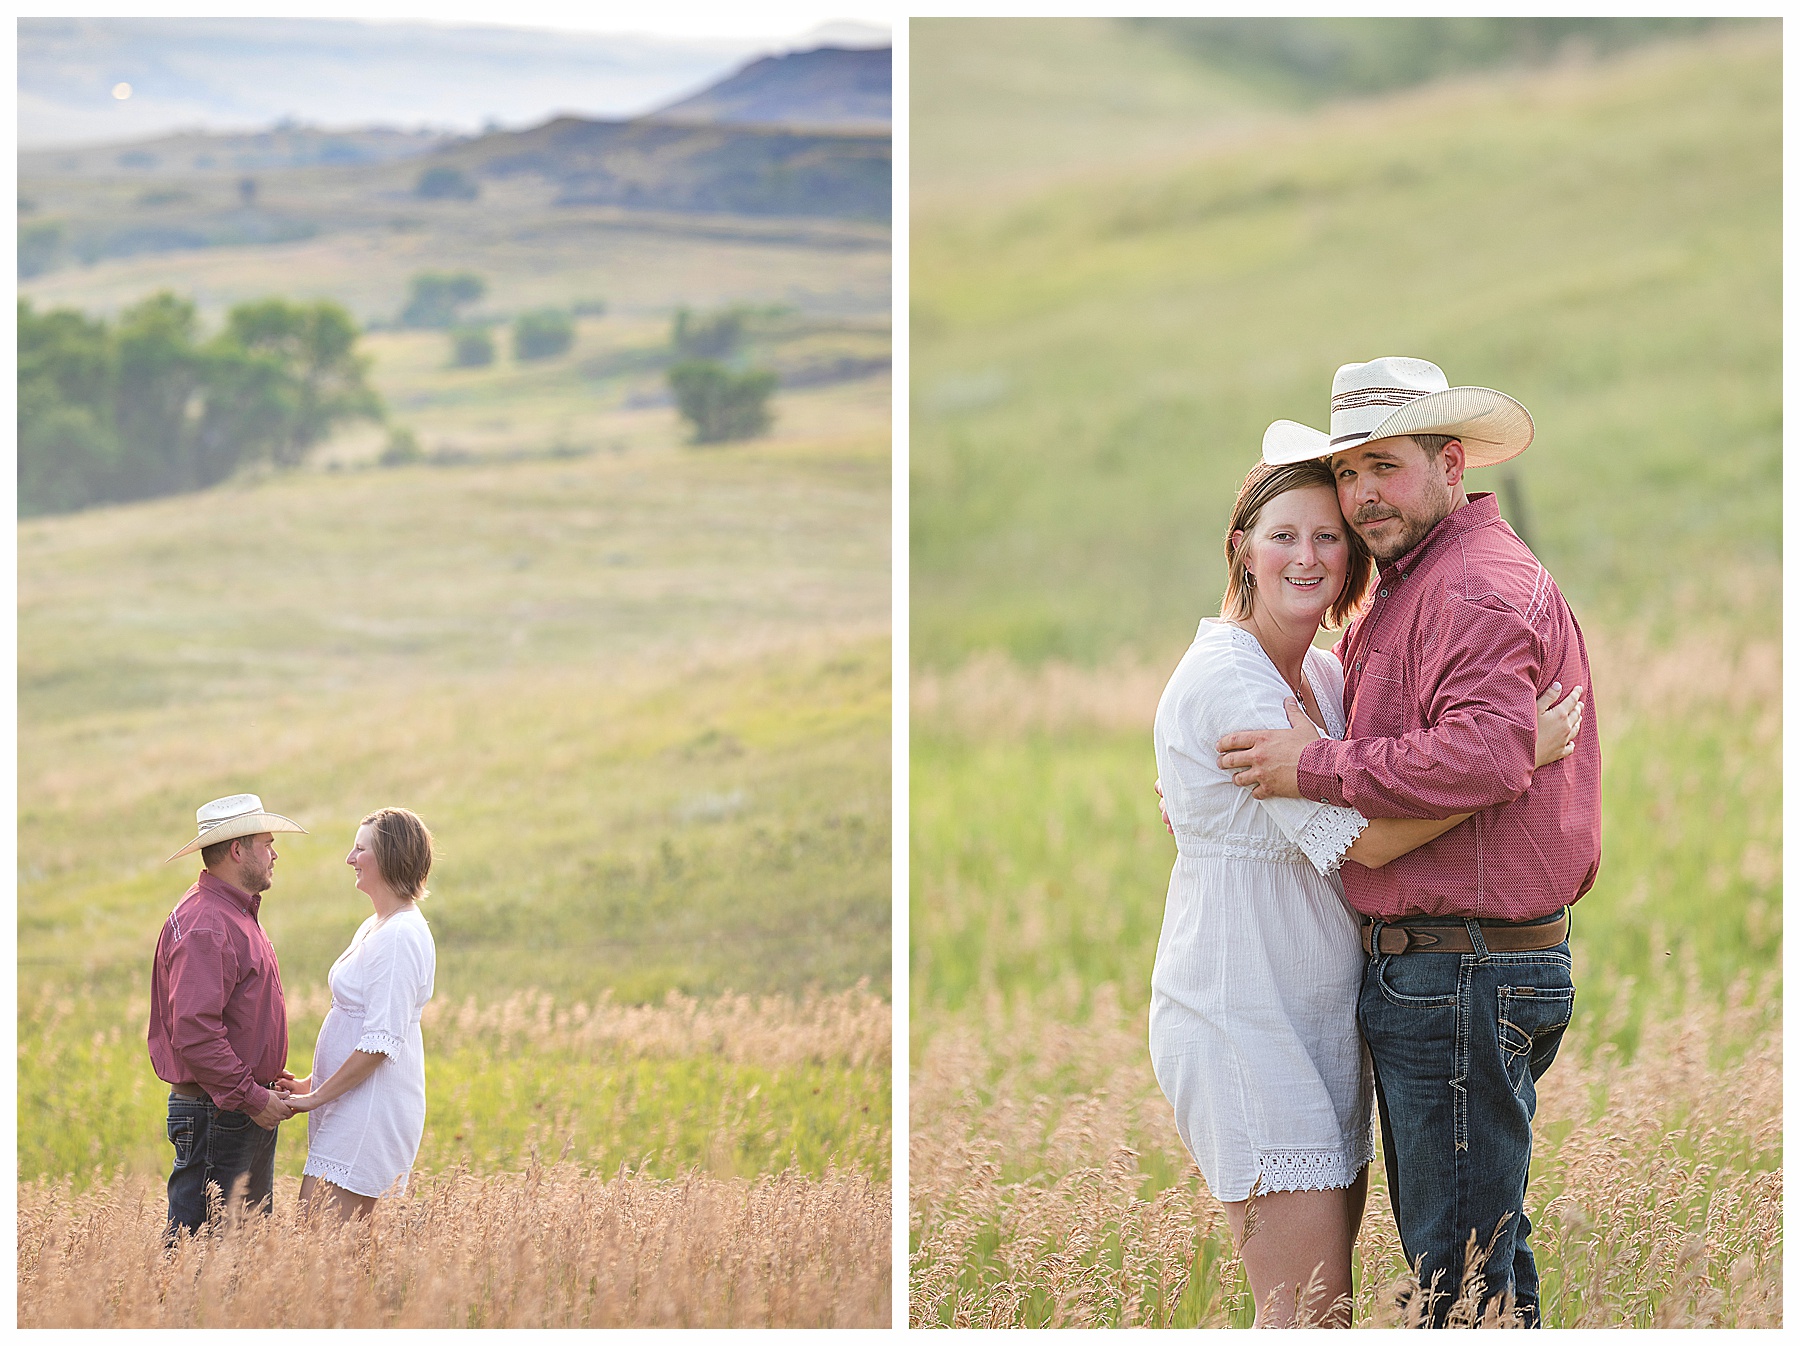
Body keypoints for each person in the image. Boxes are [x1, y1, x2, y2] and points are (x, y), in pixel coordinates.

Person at [1151, 452, 1581, 1326]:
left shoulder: (1322, 675)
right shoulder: (1231, 678)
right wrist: (1513, 758)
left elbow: (1373, 780)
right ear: (1241, 550)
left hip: (1322, 1024)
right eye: (1283, 537)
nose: (1308, 556)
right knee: (1308, 1318)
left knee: (1339, 1310)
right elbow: (1372, 841)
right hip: (1245, 1014)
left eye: (1328, 537)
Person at [149, 793, 309, 1238]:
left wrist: (260, 1077)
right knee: (200, 1257)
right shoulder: (207, 922)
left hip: (231, 1105)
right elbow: (196, 1034)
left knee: (239, 1257)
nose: (274, 853)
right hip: (219, 1112)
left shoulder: (228, 912)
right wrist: (253, 1097)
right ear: (238, 850)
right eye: (267, 843)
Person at [279, 807, 437, 1223]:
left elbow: (381, 1042)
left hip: (371, 1106)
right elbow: (359, 1026)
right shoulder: (376, 926)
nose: (350, 858)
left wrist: (314, 1098)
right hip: (352, 1100)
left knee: (322, 1243)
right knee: (336, 1251)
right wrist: (307, 1083)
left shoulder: (401, 937)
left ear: (388, 857)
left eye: (360, 848)